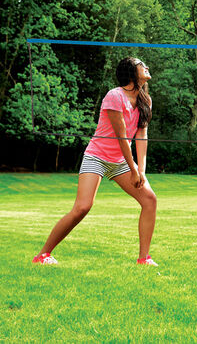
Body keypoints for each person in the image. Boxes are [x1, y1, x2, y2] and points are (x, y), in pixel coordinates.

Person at [32, 57, 158, 266]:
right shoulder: (114, 96)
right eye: (140, 63)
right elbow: (121, 137)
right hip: (98, 156)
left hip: (120, 160)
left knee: (149, 200)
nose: (146, 65)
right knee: (82, 207)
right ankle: (43, 255)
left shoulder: (146, 100)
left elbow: (141, 136)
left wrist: (141, 170)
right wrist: (133, 170)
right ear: (130, 71)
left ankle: (144, 258)